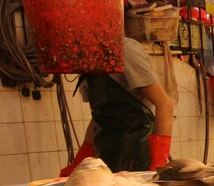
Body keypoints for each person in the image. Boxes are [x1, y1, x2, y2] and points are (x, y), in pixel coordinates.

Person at [59, 36, 175, 174]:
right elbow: (98, 117)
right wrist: (81, 159)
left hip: (139, 157)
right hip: (106, 158)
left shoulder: (125, 51)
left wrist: (158, 163)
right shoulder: (85, 63)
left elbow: (165, 104)